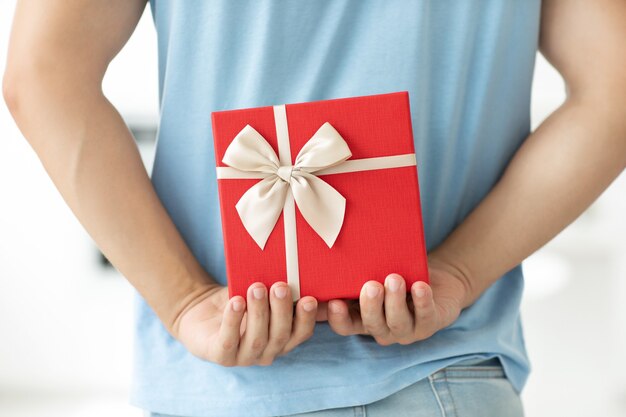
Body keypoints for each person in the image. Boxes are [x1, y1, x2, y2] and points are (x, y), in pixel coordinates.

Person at [3, 0, 625, 416]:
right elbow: (615, 91)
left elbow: (43, 71)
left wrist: (185, 301)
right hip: (445, 375)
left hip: (225, 385)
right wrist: (459, 272)